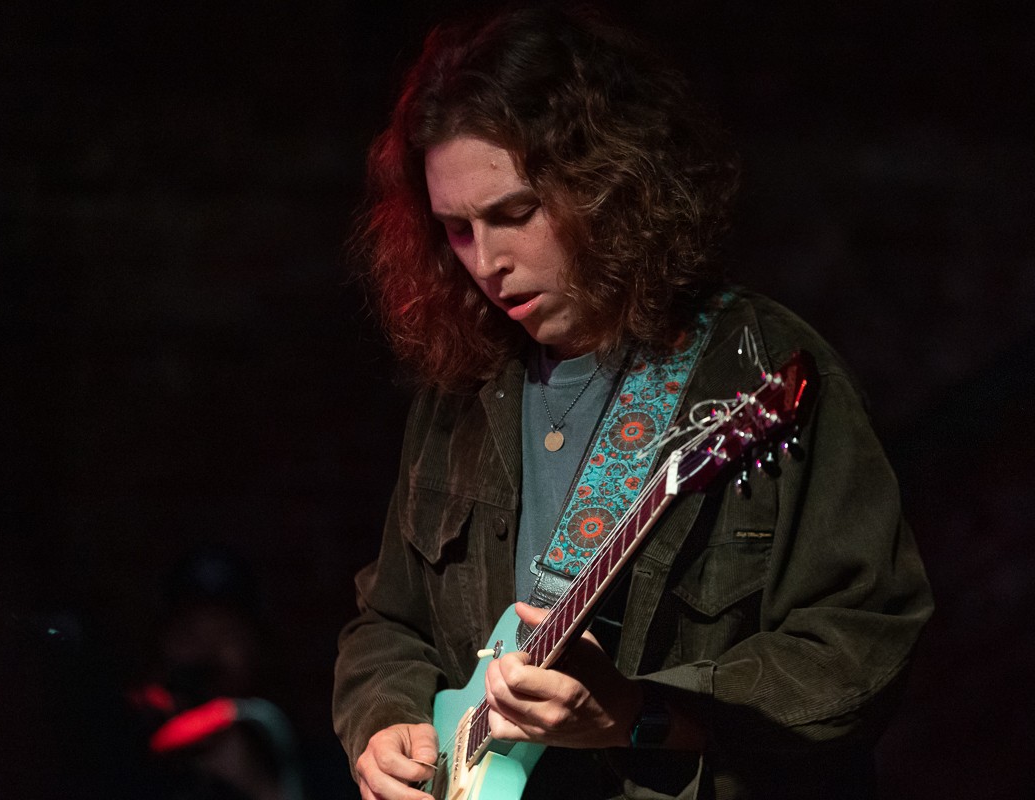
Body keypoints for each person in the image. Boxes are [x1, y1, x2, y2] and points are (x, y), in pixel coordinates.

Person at [333, 7, 932, 799]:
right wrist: (385, 722)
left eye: (514, 214)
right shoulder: (465, 387)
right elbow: (388, 622)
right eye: (457, 230)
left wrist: (640, 716)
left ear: (604, 188)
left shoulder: (754, 373)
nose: (487, 261)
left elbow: (859, 648)